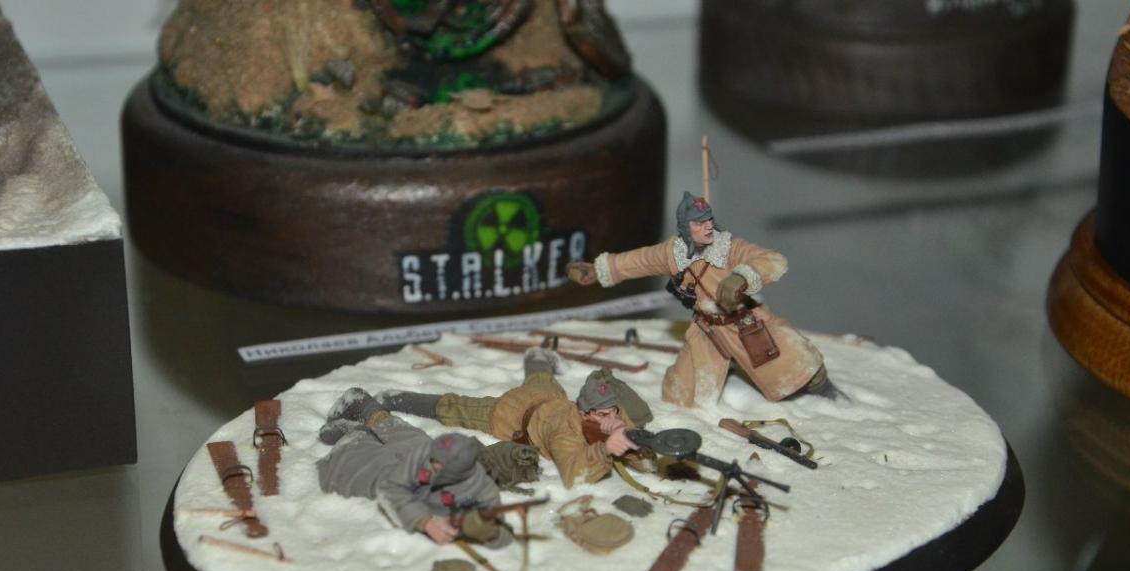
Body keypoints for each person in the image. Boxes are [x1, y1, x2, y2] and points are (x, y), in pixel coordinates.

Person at [567, 191, 840, 407]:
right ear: (686, 228)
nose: (708, 226)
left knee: (799, 370)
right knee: (681, 396)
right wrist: (598, 270)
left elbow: (773, 260)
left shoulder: (729, 248)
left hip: (746, 324)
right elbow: (639, 261)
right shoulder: (673, 253)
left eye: (709, 219)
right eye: (700, 222)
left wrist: (742, 277)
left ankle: (828, 394)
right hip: (707, 331)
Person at [378, 349, 652, 489]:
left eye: (614, 411)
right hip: (513, 413)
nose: (611, 418)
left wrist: (630, 441)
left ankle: (537, 355)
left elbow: (648, 462)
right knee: (457, 407)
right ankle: (395, 398)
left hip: (549, 394)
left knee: (540, 376)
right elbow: (573, 475)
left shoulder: (609, 416)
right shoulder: (563, 432)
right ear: (584, 413)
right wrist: (605, 449)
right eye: (603, 414)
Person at [316, 388, 505, 546]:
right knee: (411, 439)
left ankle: (351, 432)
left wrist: (425, 522)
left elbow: (391, 491)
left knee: (358, 464)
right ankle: (366, 411)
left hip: (380, 469)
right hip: (419, 454)